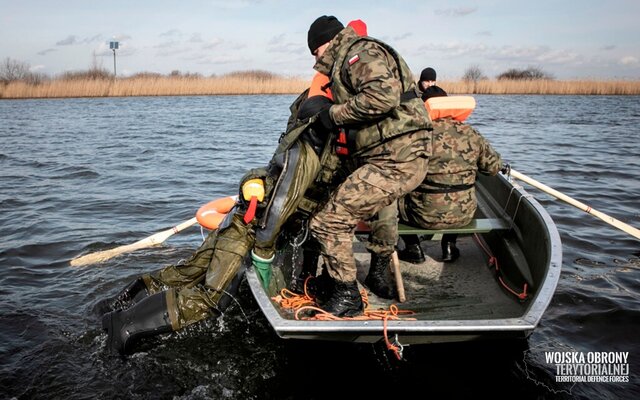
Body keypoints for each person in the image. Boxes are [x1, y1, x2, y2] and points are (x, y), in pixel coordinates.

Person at [98, 78, 345, 355]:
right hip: (247, 231)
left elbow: (265, 179)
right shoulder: (307, 157)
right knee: (211, 300)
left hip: (236, 222)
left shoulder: (292, 147)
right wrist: (263, 255)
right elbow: (278, 208)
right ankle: (124, 325)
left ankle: (115, 307)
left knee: (185, 274)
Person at [303, 15, 432, 317]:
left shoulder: (357, 53)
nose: (316, 61)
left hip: (398, 156)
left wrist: (332, 115)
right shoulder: (350, 56)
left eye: (315, 53)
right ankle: (333, 279)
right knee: (324, 204)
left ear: (324, 44)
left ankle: (348, 295)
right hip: (387, 154)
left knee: (329, 221)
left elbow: (382, 98)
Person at [370, 94, 503, 265]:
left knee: (394, 194)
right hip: (464, 214)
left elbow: (397, 169)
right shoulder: (472, 133)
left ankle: (413, 248)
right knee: (458, 191)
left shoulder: (419, 135)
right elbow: (492, 168)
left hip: (423, 215)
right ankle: (449, 245)